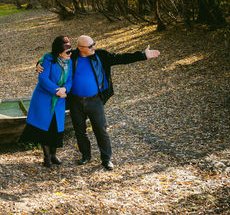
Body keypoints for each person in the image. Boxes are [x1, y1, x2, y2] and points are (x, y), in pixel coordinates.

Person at [37, 35, 160, 170]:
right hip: (75, 101)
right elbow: (53, 57)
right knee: (80, 131)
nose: (93, 47)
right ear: (80, 48)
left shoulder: (101, 55)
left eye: (93, 44)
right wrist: (38, 64)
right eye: (90, 46)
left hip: (95, 100)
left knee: (101, 130)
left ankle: (106, 159)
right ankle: (85, 156)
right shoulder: (71, 56)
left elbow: (121, 58)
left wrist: (143, 55)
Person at [19, 35, 73, 167]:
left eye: (71, 50)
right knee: (46, 129)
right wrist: (56, 90)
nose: (70, 53)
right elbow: (42, 79)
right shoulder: (48, 59)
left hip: (59, 100)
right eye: (67, 52)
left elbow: (70, 79)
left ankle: (54, 155)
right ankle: (47, 157)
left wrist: (65, 89)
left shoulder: (69, 61)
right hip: (44, 99)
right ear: (59, 51)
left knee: (56, 129)